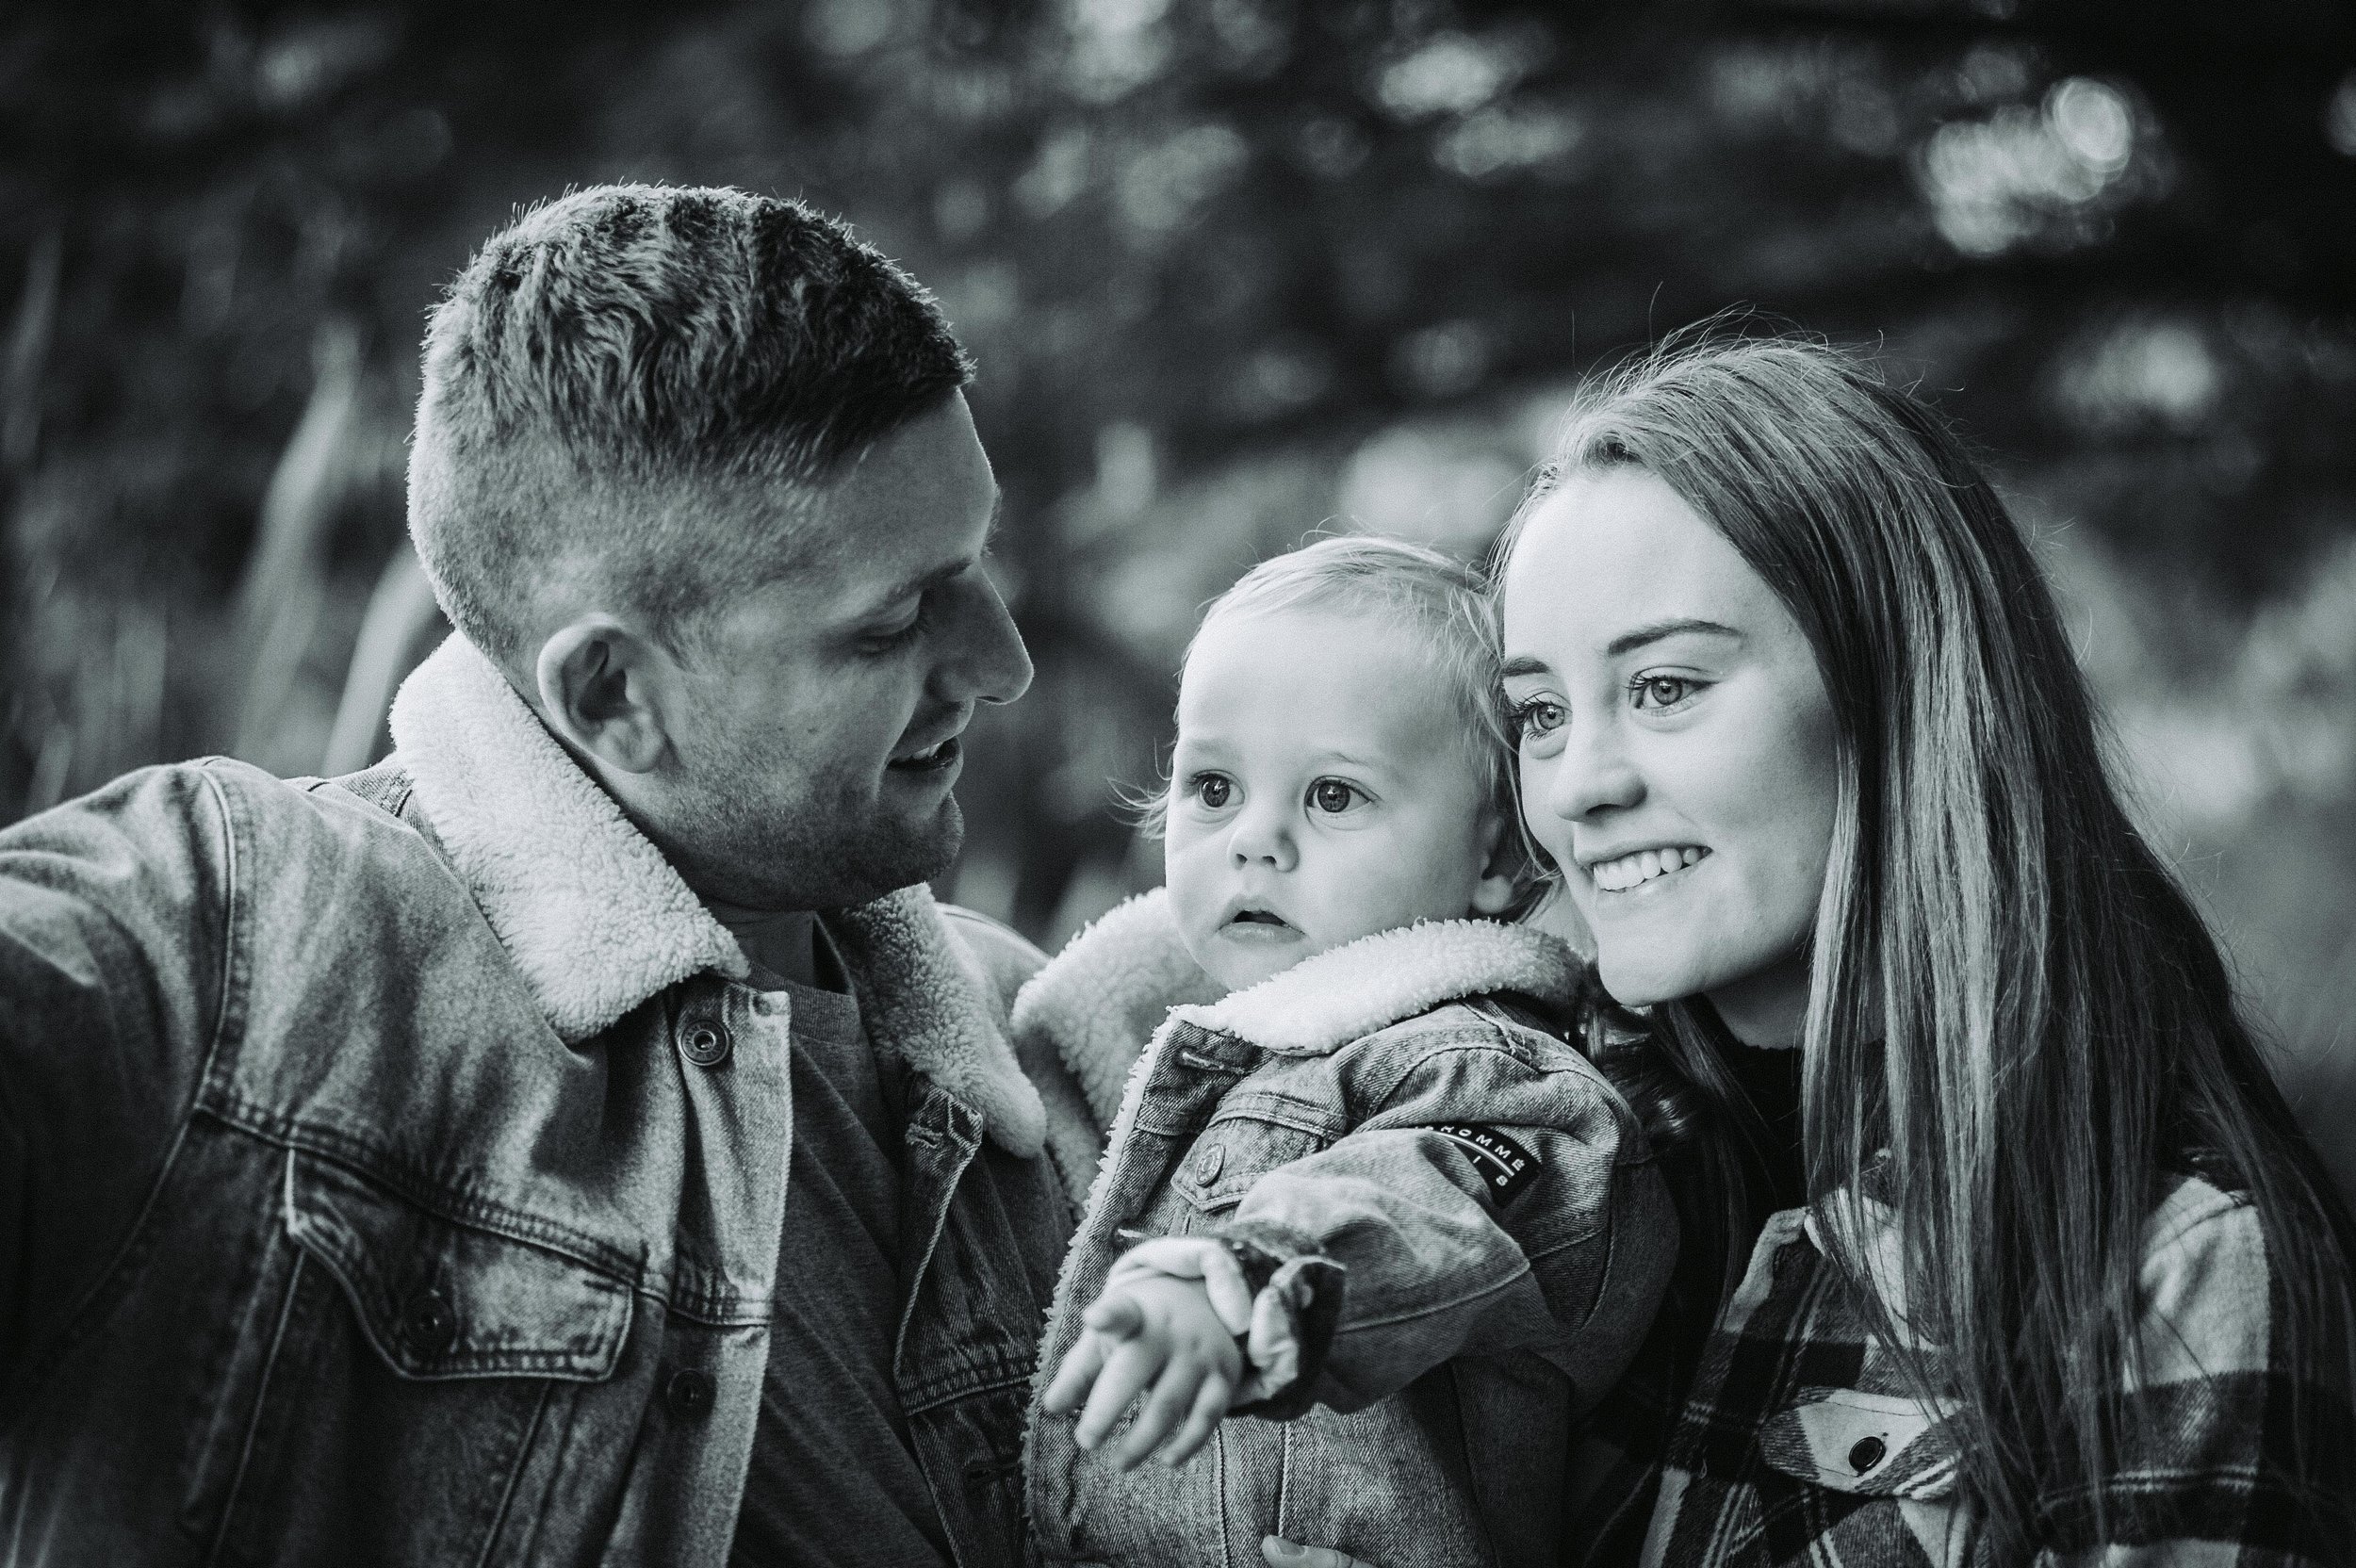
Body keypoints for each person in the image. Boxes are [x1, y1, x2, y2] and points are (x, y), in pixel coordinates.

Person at [0, 184, 1098, 1566]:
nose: (1004, 663)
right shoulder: (231, 934)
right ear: (614, 693)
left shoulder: (1027, 1040)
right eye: (890, 626)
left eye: (975, 560)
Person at [1493, 335, 2356, 1564]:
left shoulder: (2175, 1268)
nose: (1578, 786)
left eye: (1668, 687)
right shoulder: (1559, 1170)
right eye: (1540, 712)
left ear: (1895, 690)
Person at [1014, 537, 1677, 1568]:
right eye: (1214, 786)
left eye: (1332, 796)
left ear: (1497, 855)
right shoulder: (1177, 1049)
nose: (1254, 840)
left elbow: (1423, 1199)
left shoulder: (1480, 1065)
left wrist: (1247, 1275)